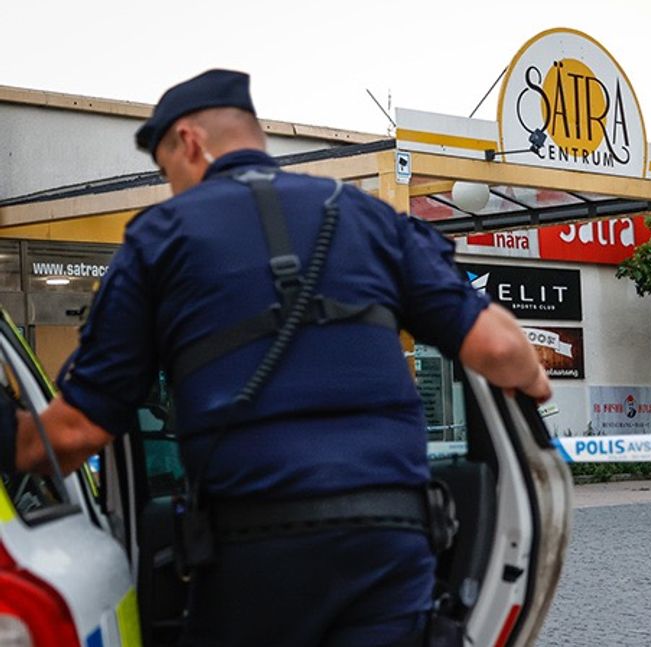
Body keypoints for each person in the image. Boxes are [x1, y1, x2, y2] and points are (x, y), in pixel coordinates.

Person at [3, 69, 550, 646]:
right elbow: (499, 348)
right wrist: (535, 382)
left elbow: (70, 437)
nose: (173, 190)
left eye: (168, 173)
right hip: (390, 549)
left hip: (255, 557)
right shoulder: (367, 216)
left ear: (189, 141)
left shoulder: (158, 239)